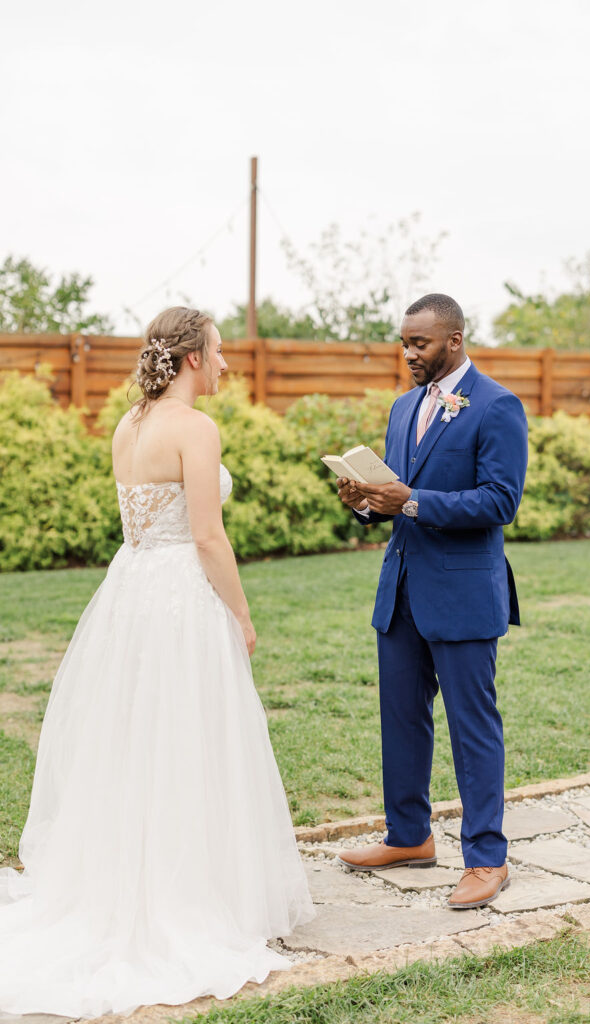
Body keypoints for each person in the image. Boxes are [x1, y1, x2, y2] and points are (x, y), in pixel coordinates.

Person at [0, 307, 313, 1017]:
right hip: (178, 594)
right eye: (221, 351)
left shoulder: (130, 424)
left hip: (130, 589)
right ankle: (185, 897)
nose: (228, 363)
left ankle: (128, 880)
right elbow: (207, 536)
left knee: (134, 736)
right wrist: (241, 613)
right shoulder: (195, 429)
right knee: (188, 734)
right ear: (195, 358)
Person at [336, 294, 527, 909]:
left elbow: (500, 502)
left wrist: (409, 501)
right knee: (401, 717)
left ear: (455, 339)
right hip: (402, 591)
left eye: (419, 343)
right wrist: (365, 500)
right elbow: (394, 491)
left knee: (473, 727)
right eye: (404, 342)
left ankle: (486, 858)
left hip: (464, 594)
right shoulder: (402, 407)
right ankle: (409, 836)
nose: (408, 353)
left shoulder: (498, 406)